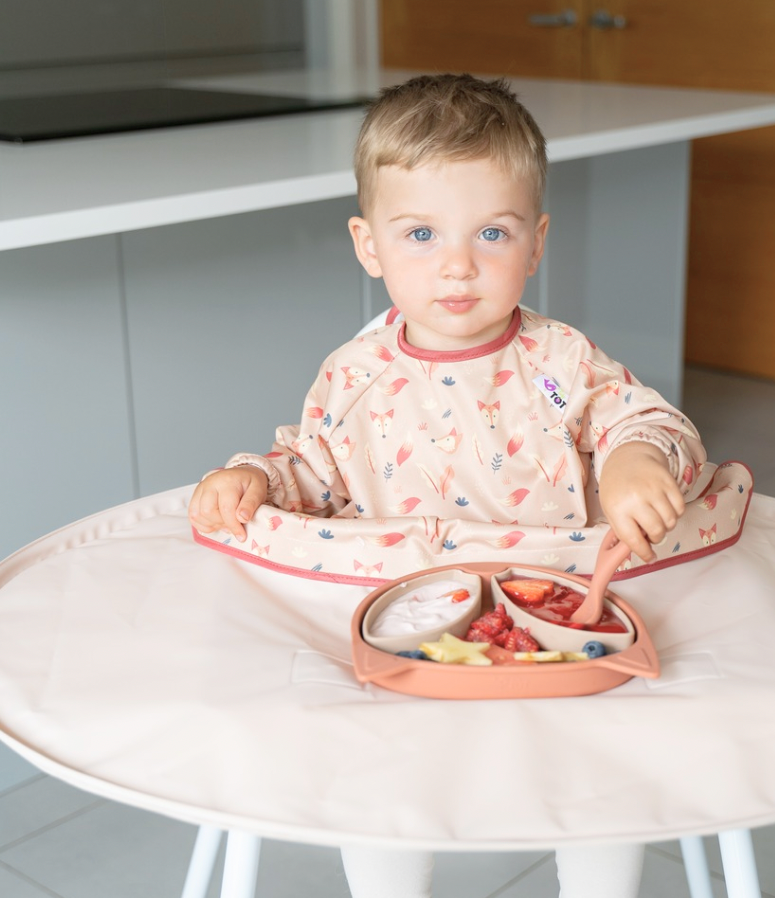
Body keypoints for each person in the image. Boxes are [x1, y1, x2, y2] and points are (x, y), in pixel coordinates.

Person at [188, 73, 706, 898]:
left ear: (536, 243)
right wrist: (254, 476)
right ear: (369, 246)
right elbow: (313, 474)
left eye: (492, 233)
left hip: (551, 622)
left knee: (600, 790)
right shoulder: (353, 375)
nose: (458, 265)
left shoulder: (557, 365)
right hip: (406, 627)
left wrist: (634, 458)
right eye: (421, 234)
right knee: (382, 794)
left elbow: (643, 421)